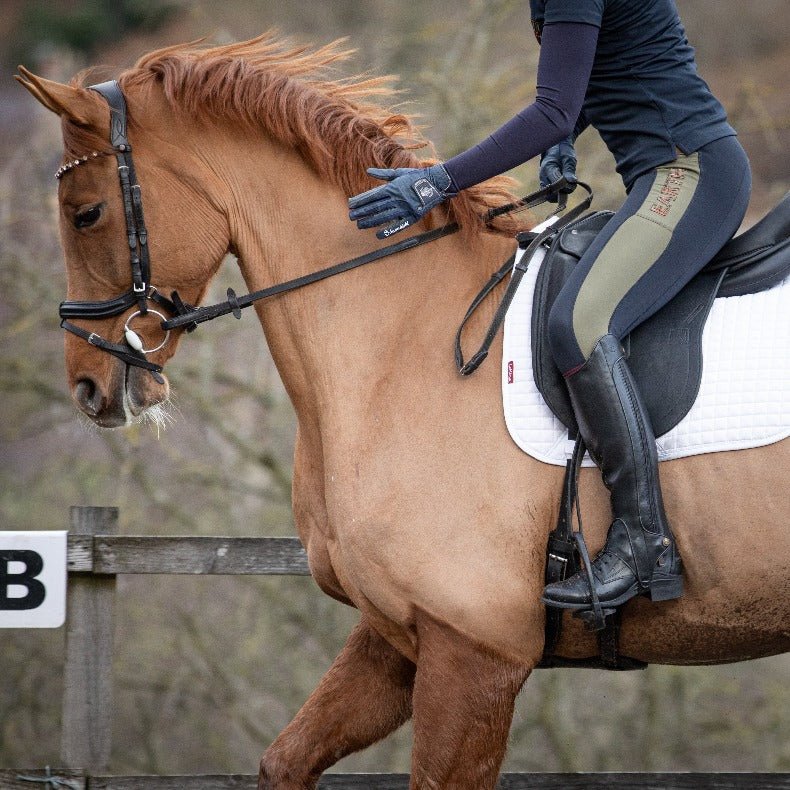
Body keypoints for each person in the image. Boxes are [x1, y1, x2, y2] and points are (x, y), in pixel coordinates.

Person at [348, 0, 751, 613]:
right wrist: (564, 140)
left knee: (581, 325)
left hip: (689, 172)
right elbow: (602, 73)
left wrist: (437, 182)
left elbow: (552, 106)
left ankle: (644, 540)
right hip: (663, 172)